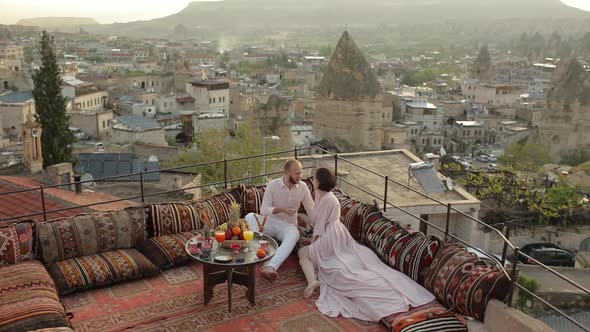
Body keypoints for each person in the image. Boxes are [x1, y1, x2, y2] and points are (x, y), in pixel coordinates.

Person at [298, 167, 435, 322]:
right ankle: (313, 279)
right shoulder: (319, 194)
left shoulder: (329, 199)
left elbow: (319, 226)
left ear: (320, 181)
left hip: (330, 234)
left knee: (305, 254)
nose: (313, 181)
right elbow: (318, 221)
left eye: (315, 178)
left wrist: (313, 243)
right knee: (315, 255)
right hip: (332, 233)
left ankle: (312, 281)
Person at [245, 159, 315, 281]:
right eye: (297, 173)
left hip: (288, 227)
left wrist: (325, 223)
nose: (300, 176)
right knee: (250, 216)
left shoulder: (303, 187)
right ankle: (254, 252)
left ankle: (270, 267)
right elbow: (264, 210)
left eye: (301, 173)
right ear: (287, 173)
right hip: (270, 223)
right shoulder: (273, 185)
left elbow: (311, 209)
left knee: (295, 234)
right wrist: (282, 209)